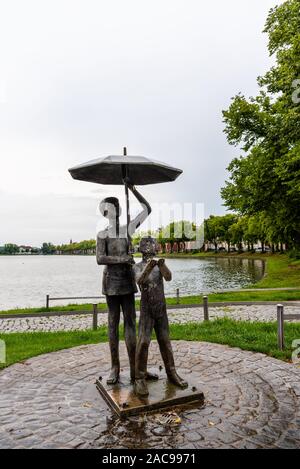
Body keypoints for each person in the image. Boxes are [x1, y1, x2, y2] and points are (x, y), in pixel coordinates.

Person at [96, 181, 151, 385]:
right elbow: (100, 258)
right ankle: (115, 367)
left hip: (127, 281)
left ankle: (135, 368)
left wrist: (134, 189)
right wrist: (124, 259)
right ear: (104, 213)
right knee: (113, 323)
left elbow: (147, 209)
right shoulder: (102, 234)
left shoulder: (127, 229)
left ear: (119, 210)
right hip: (111, 282)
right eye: (108, 210)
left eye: (116, 208)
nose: (113, 212)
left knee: (130, 323)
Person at [133, 236, 188, 397]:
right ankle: (139, 378)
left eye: (152, 243)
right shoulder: (137, 266)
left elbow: (169, 277)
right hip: (146, 309)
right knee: (143, 342)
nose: (150, 246)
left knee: (165, 341)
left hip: (161, 308)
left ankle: (172, 373)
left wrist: (162, 266)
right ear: (141, 248)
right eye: (146, 244)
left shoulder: (158, 265)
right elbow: (140, 281)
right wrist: (149, 267)